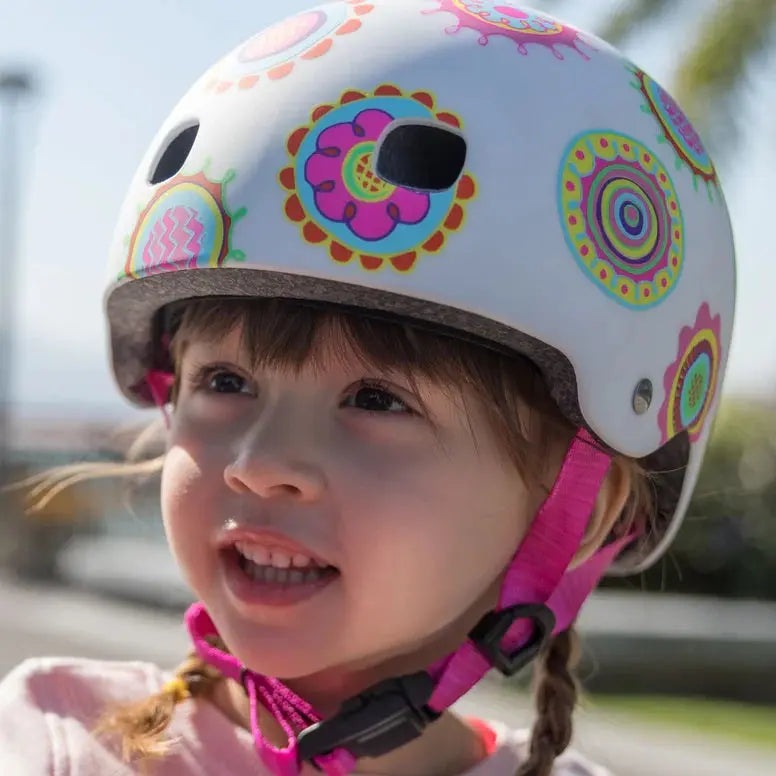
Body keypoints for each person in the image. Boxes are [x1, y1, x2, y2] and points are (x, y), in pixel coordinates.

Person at [0, 1, 736, 774]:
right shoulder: (59, 742)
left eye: (378, 399)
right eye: (224, 380)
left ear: (585, 509)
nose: (261, 462)